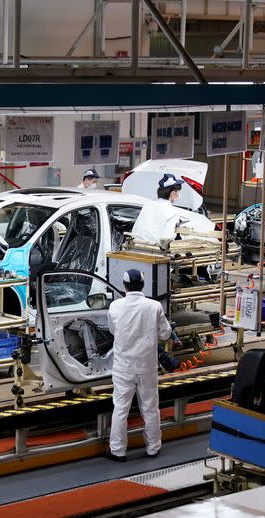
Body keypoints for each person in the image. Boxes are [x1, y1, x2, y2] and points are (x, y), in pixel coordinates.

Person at [105, 269, 172, 461]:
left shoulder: (115, 307)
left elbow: (112, 330)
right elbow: (165, 334)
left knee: (120, 409)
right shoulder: (154, 306)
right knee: (150, 408)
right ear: (143, 284)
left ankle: (118, 451)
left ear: (124, 286)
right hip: (147, 367)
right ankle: (153, 447)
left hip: (123, 368)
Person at [130, 173, 185, 244]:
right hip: (154, 251)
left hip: (136, 247)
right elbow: (166, 239)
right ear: (173, 194)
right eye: (178, 192)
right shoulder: (173, 213)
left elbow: (136, 230)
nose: (178, 195)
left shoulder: (147, 206)